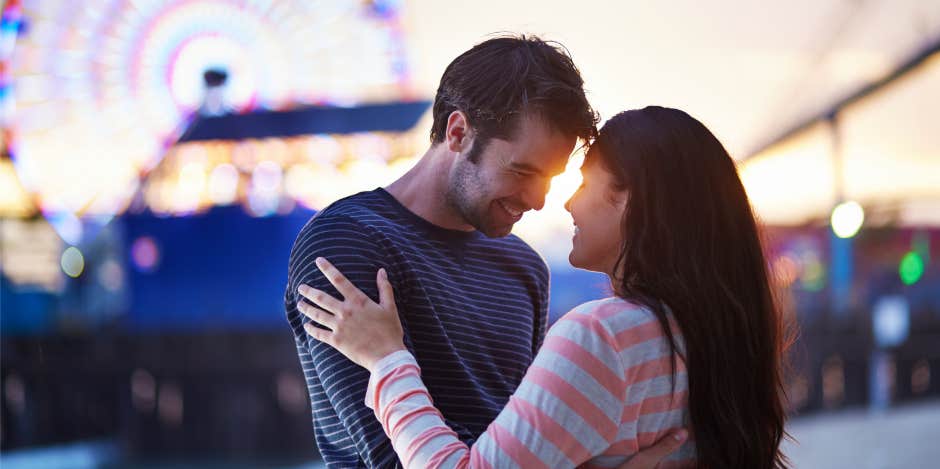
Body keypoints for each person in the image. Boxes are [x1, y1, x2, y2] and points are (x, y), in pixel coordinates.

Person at [297, 106, 793, 468]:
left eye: (582, 182)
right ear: (456, 131)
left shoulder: (603, 336)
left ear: (630, 201)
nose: (558, 204)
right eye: (523, 171)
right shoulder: (710, 332)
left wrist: (387, 359)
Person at [284, 35, 603, 467]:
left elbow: (521, 448)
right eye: (522, 171)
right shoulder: (347, 243)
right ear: (457, 132)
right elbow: (388, 459)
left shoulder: (525, 268)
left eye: (548, 178)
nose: (538, 199)